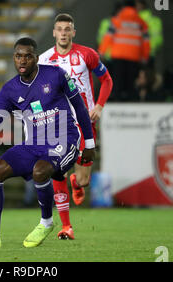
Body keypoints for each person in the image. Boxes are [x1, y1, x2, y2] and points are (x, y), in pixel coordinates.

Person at [0, 37, 96, 248]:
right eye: (18, 56)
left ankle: (47, 222)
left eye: (27, 56)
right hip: (34, 143)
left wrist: (89, 144)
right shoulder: (9, 90)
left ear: (36, 58)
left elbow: (79, 107)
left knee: (40, 170)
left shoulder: (56, 74)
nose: (22, 61)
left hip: (65, 138)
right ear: (14, 58)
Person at [39, 13, 113, 240]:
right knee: (57, 171)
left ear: (73, 32)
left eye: (67, 29)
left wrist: (99, 106)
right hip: (59, 123)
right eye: (59, 29)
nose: (63, 33)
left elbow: (107, 80)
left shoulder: (87, 55)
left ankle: (77, 183)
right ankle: (66, 226)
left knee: (82, 181)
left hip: (85, 122)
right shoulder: (43, 60)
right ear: (54, 32)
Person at [98, 0, 150, 101]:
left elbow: (108, 36)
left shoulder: (117, 20)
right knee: (131, 83)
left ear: (123, 8)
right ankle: (130, 105)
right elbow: (146, 42)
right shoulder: (141, 22)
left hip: (118, 55)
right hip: (134, 56)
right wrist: (145, 57)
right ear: (135, 7)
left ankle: (118, 104)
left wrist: (102, 52)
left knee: (118, 82)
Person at [135, 0, 163, 67]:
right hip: (145, 54)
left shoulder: (136, 19)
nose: (136, 7)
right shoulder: (154, 20)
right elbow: (158, 40)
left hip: (142, 54)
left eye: (137, 4)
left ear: (142, 5)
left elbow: (157, 39)